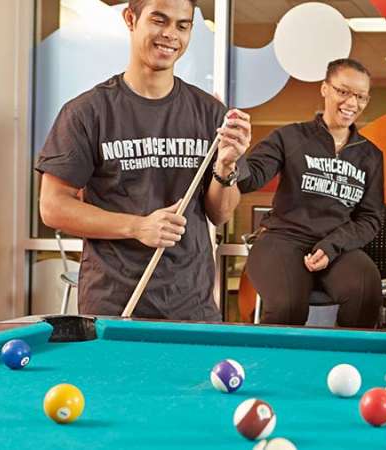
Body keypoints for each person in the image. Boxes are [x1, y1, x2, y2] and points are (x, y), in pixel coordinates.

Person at [37, 0, 251, 321]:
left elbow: (219, 213)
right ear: (130, 19)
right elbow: (53, 207)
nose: (170, 34)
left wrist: (225, 168)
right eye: (159, 20)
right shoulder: (87, 112)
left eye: (182, 25)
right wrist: (137, 226)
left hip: (191, 303)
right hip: (114, 303)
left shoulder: (210, 113)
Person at [237, 58, 384, 328]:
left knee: (365, 290)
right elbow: (249, 179)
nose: (352, 103)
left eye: (360, 97)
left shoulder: (370, 155)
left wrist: (331, 246)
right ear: (325, 89)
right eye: (343, 91)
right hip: (283, 240)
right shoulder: (290, 137)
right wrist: (233, 156)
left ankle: (347, 364)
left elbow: (370, 218)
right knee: (288, 306)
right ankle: (272, 368)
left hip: (336, 246)